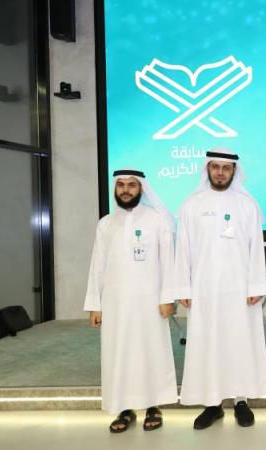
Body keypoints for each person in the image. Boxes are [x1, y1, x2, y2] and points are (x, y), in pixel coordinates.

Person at [172, 149, 266, 430]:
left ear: (234, 171)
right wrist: (183, 287)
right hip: (203, 290)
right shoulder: (191, 205)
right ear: (207, 169)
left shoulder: (247, 205)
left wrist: (256, 285)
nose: (220, 172)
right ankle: (212, 404)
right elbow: (183, 249)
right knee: (208, 344)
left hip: (240, 290)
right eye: (215, 167)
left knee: (240, 342)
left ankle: (241, 401)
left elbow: (256, 249)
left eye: (226, 168)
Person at [84, 169, 178, 433]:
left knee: (151, 352)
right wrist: (95, 305)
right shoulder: (106, 224)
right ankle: (124, 408)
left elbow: (167, 262)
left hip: (150, 302)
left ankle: (153, 406)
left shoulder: (157, 220)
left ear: (141, 189)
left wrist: (167, 298)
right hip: (115, 304)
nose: (125, 190)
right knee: (119, 355)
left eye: (131, 185)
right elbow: (97, 265)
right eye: (121, 185)